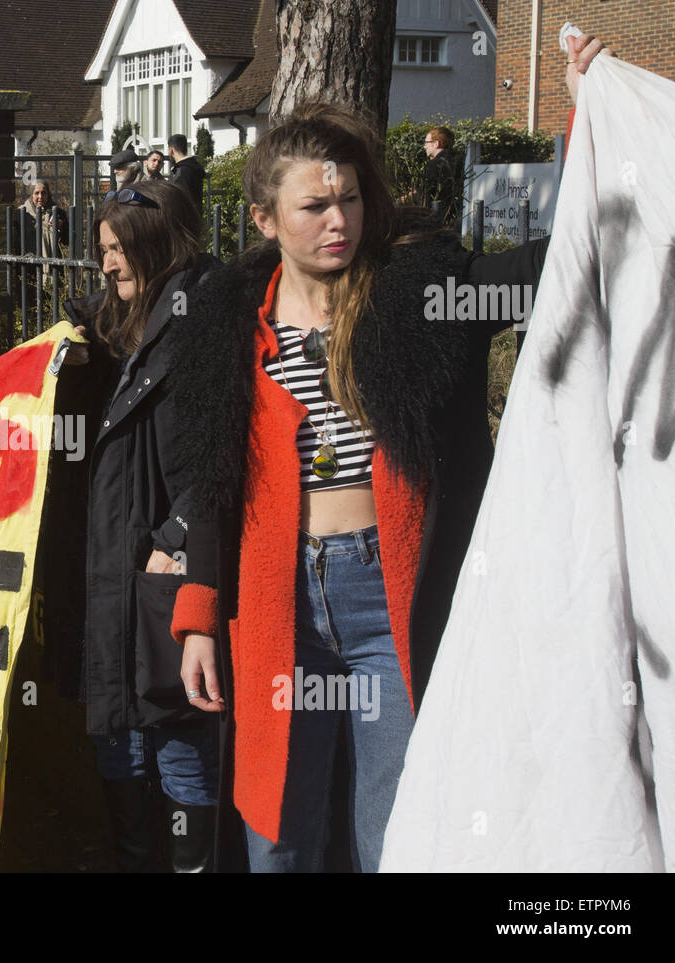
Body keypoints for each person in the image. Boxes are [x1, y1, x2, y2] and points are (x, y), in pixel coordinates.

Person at [170, 35, 610, 873]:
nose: (339, 220)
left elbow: (544, 273)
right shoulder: (228, 319)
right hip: (278, 603)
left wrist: (588, 118)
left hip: (398, 597)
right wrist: (196, 614)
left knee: (403, 833)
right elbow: (208, 475)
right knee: (278, 836)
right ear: (264, 219)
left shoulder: (417, 291)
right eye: (314, 206)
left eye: (348, 199)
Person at [62, 179, 221, 872]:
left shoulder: (202, 323)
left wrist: (176, 539)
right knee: (124, 746)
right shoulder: (124, 330)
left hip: (159, 578)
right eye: (102, 250)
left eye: (116, 248)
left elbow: (224, 453)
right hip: (114, 583)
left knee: (178, 747)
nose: (106, 265)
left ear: (154, 245)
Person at [422, 126, 458, 225]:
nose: (425, 146)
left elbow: (426, 193)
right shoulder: (456, 161)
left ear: (436, 143)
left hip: (436, 215)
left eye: (427, 142)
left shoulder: (434, 165)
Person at [166, 134, 205, 207]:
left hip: (185, 216)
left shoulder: (182, 171)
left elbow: (182, 199)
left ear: (171, 150)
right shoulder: (193, 166)